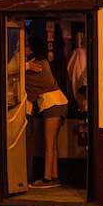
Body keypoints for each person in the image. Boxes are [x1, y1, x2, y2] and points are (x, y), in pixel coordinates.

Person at [25, 33, 68, 188]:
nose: (24, 48)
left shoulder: (35, 66)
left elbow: (27, 89)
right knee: (53, 143)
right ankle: (54, 175)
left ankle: (46, 178)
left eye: (26, 45)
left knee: (48, 143)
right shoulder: (44, 62)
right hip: (60, 101)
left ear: (31, 48)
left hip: (52, 104)